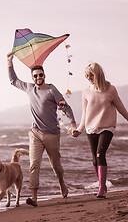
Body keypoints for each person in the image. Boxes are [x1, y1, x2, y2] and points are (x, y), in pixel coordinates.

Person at [7, 52, 77, 207]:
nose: (38, 78)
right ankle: (34, 198)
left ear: (44, 75)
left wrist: (73, 125)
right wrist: (9, 62)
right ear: (32, 77)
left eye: (40, 75)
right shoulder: (29, 88)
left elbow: (66, 107)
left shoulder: (52, 90)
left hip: (52, 134)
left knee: (56, 166)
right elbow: (13, 80)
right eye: (35, 76)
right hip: (35, 133)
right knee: (34, 164)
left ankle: (61, 184)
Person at [72, 62, 128, 198]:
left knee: (99, 155)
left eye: (91, 75)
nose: (88, 78)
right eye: (86, 75)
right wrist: (79, 129)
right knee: (94, 160)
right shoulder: (86, 91)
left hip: (107, 127)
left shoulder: (111, 89)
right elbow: (85, 113)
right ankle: (102, 184)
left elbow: (121, 107)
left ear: (97, 74)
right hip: (91, 127)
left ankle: (101, 188)